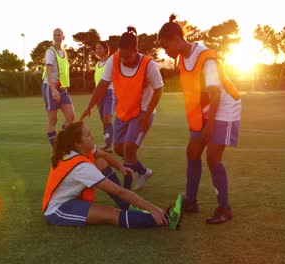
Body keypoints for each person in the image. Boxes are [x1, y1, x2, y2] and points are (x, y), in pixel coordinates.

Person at [157, 14, 242, 224]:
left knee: (213, 159)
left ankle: (224, 208)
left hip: (223, 107)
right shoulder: (183, 58)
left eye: (166, 45)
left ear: (177, 39)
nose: (165, 50)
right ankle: (191, 202)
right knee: (192, 151)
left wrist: (210, 124)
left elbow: (216, 94)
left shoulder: (205, 57)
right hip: (204, 110)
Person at [42, 121, 183, 229]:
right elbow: (118, 191)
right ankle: (166, 219)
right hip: (58, 209)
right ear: (78, 144)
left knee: (100, 160)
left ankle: (129, 207)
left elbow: (103, 154)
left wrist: (121, 167)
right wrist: (152, 208)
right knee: (112, 215)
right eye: (88, 135)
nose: (93, 137)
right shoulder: (81, 167)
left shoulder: (77, 149)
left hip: (72, 199)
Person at [80, 26, 164, 191]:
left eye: (127, 56)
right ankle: (143, 172)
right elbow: (103, 85)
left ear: (136, 50)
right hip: (123, 110)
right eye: (121, 55)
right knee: (119, 149)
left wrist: (147, 115)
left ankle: (126, 192)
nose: (123, 60)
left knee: (129, 148)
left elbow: (159, 89)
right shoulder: (114, 60)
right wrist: (90, 106)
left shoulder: (149, 65)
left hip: (142, 112)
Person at [42, 28, 75, 147]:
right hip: (50, 87)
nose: (57, 37)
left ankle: (62, 141)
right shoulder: (50, 52)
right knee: (53, 120)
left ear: (63, 37)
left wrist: (63, 88)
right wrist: (53, 89)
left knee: (70, 117)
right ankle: (56, 149)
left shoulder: (64, 52)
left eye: (59, 35)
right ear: (53, 37)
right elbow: (49, 73)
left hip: (62, 89)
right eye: (55, 35)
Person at [93, 41, 114, 153]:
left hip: (109, 93)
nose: (97, 50)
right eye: (96, 48)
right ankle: (107, 143)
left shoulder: (110, 62)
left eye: (100, 48)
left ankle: (109, 145)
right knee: (103, 120)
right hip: (99, 95)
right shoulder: (97, 64)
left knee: (107, 119)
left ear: (106, 49)